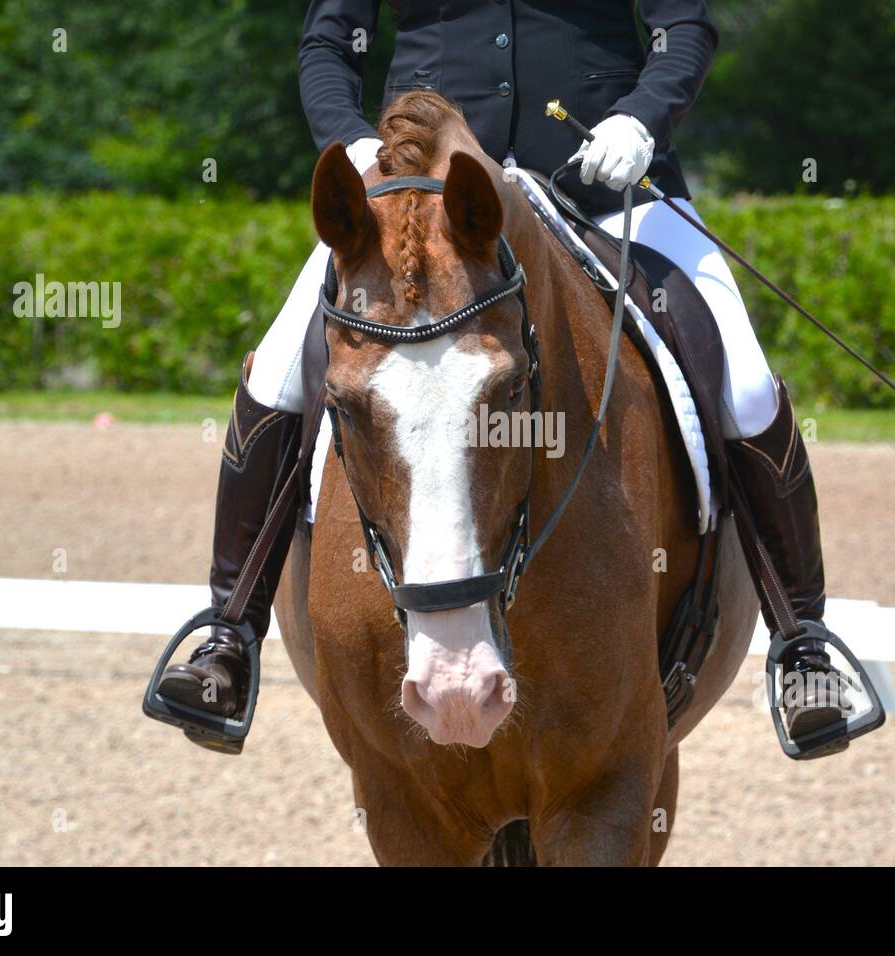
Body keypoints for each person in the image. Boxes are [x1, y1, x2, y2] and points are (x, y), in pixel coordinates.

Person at [154, 0, 858, 756]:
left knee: (744, 379)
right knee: (280, 369)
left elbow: (683, 27)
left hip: (607, 185)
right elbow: (328, 43)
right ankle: (229, 632)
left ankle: (803, 646)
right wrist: (351, 142)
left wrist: (642, 122)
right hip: (420, 202)